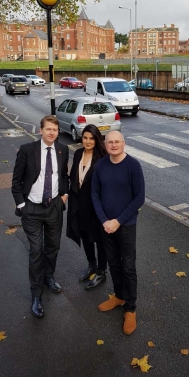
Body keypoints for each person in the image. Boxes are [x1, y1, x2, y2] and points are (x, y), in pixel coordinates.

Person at [12, 115, 69, 318]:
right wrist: (22, 205)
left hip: (54, 207)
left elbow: (63, 176)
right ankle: (36, 295)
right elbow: (16, 181)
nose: (52, 132)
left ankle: (49, 276)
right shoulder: (28, 150)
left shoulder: (63, 150)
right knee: (36, 250)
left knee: (53, 246)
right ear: (40, 130)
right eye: (48, 129)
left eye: (55, 129)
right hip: (32, 209)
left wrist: (64, 196)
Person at [92, 131, 145, 335]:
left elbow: (139, 198)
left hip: (126, 225)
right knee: (113, 263)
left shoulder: (133, 166)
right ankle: (119, 296)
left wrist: (118, 221)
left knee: (128, 266)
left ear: (123, 143)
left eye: (117, 142)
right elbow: (95, 195)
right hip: (106, 225)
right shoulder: (101, 166)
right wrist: (105, 221)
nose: (113, 145)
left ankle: (130, 308)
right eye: (110, 142)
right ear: (105, 145)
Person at [67, 124, 108, 290]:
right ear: (81, 138)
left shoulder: (102, 158)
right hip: (80, 205)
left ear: (97, 139)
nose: (88, 141)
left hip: (97, 207)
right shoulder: (77, 153)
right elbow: (74, 178)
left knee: (100, 240)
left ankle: (101, 271)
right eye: (85, 138)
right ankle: (92, 264)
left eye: (92, 138)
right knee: (85, 236)